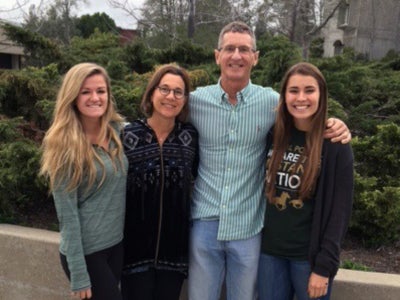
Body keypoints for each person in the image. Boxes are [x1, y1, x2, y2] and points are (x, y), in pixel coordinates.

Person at [187, 21, 351, 300]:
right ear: (217, 55)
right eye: (229, 48)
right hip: (206, 224)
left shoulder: (271, 103)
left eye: (244, 49)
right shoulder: (194, 102)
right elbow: (161, 115)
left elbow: (306, 112)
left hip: (249, 229)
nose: (236, 55)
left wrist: (337, 124)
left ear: (255, 56)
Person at [257, 62, 354, 300]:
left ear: (321, 94)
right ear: (284, 96)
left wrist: (324, 267)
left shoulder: (334, 144)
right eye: (293, 91)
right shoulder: (274, 135)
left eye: (309, 90)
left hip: (308, 260)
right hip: (269, 255)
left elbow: (339, 212)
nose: (301, 98)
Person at [40, 63, 127, 300]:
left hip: (116, 246)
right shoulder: (63, 145)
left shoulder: (118, 132)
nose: (95, 98)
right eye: (85, 91)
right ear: (73, 96)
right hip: (88, 254)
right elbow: (67, 216)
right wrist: (79, 274)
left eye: (100, 91)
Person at [121, 64, 199, 300]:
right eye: (164, 89)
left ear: (185, 99)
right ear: (152, 92)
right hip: (134, 253)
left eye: (178, 92)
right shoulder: (128, 135)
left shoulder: (190, 137)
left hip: (174, 254)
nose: (170, 97)